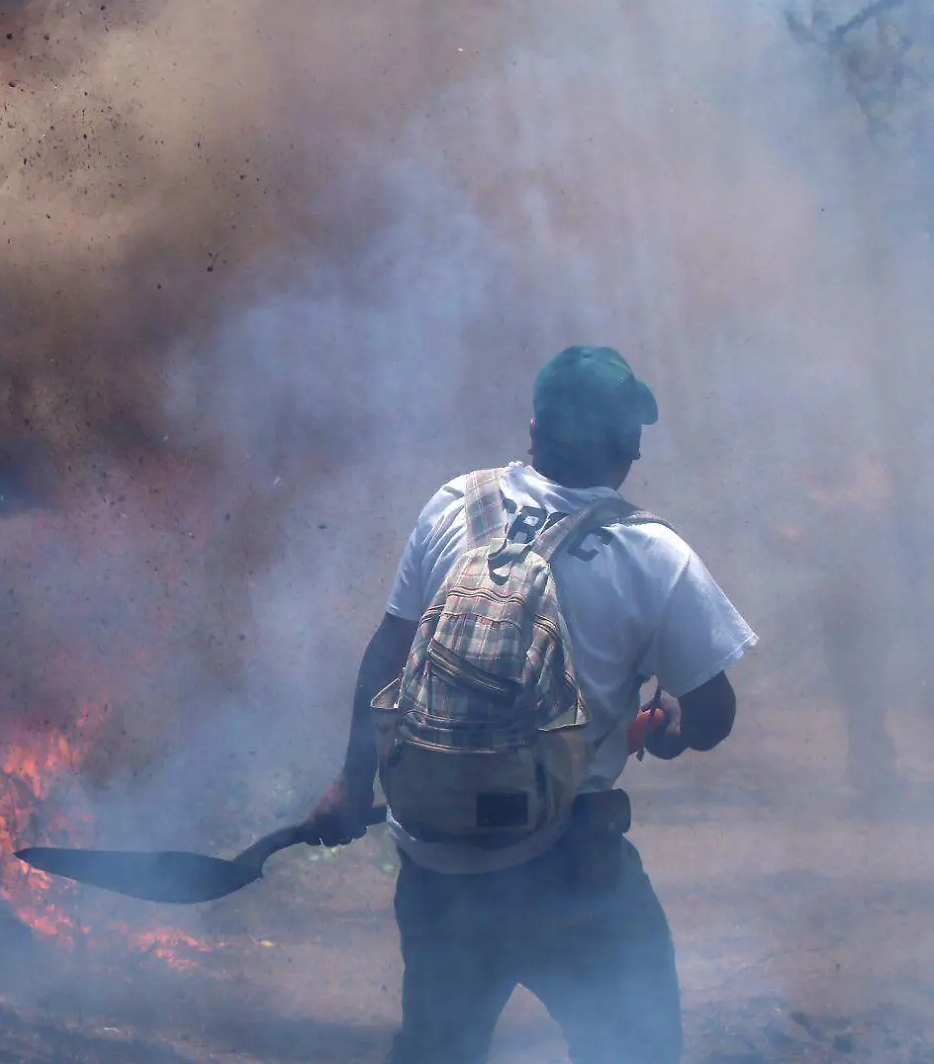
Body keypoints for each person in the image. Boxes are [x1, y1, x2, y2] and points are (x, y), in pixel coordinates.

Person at [296, 346, 758, 1064]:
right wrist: (672, 726)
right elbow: (716, 713)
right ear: (628, 447)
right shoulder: (653, 555)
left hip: (439, 864)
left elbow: (386, 657)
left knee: (437, 1052)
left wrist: (351, 786)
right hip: (569, 867)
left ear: (535, 428)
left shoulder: (453, 505)